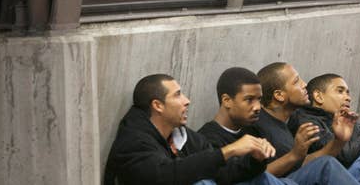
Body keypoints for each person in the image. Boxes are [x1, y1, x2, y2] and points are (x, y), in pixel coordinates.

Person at [103, 73, 278, 185]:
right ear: (158, 105)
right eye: (177, 95)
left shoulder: (183, 136)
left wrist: (255, 159)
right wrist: (228, 151)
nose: (187, 100)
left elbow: (224, 174)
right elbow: (166, 176)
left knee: (263, 179)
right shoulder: (133, 141)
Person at [251, 62, 360, 185]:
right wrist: (293, 155)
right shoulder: (255, 123)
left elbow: (303, 165)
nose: (304, 85)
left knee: (326, 162)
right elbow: (252, 178)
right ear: (279, 95)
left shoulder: (287, 124)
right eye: (296, 81)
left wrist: (339, 141)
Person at [197, 67, 298, 185]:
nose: (257, 107)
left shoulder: (254, 131)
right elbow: (224, 176)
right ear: (227, 100)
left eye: (259, 99)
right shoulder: (206, 139)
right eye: (249, 99)